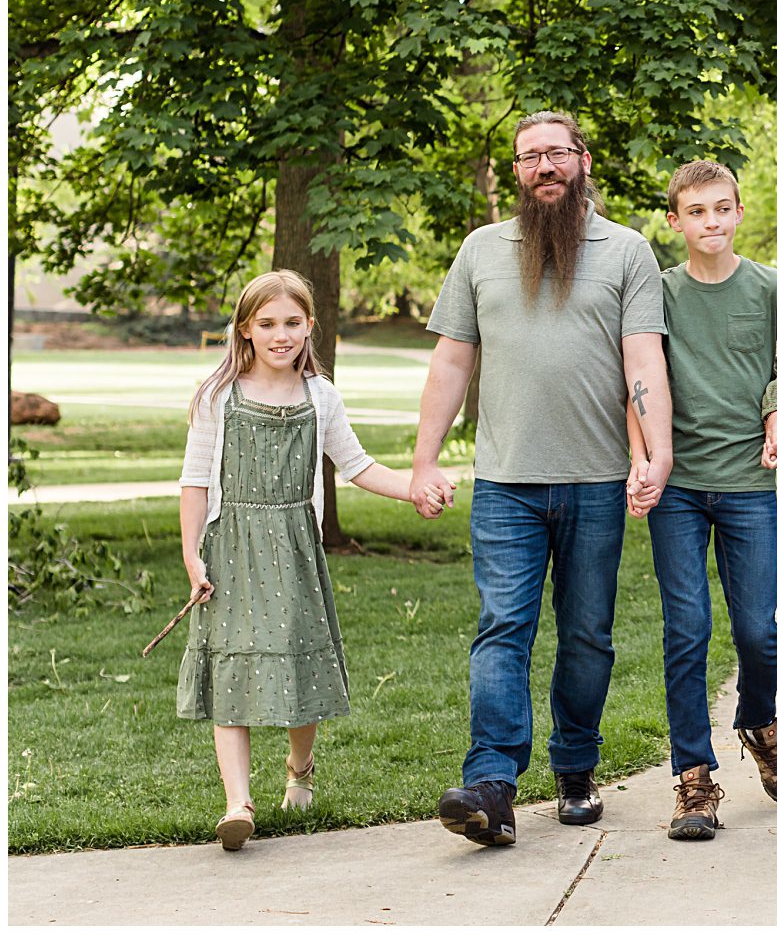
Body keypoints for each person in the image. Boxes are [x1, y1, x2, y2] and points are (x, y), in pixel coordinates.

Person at [411, 110, 672, 847]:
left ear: (584, 160)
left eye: (557, 153)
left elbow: (643, 359)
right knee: (504, 628)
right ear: (518, 172)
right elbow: (452, 361)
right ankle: (491, 785)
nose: (545, 166)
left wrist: (655, 452)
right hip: (504, 483)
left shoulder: (627, 250)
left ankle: (577, 767)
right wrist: (425, 461)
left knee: (587, 634)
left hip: (596, 479)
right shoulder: (480, 251)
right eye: (530, 157)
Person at [178, 270, 450, 850]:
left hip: (295, 546)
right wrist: (192, 556)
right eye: (268, 324)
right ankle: (238, 802)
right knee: (234, 665)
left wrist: (414, 489)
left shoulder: (320, 396)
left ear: (309, 326)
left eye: (293, 323)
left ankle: (299, 768)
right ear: (245, 329)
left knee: (299, 663)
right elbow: (195, 482)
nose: (281, 335)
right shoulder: (216, 397)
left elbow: (357, 466)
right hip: (231, 547)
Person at [626, 159, 777, 842]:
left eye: (722, 209)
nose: (711, 222)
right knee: (687, 630)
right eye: (696, 212)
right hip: (677, 489)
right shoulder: (657, 292)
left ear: (739, 212)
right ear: (674, 221)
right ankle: (694, 780)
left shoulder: (772, 287)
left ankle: (760, 722)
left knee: (758, 631)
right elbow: (637, 381)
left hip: (744, 486)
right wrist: (644, 458)